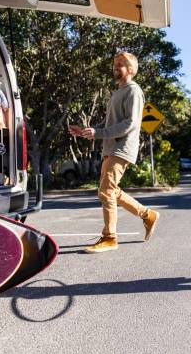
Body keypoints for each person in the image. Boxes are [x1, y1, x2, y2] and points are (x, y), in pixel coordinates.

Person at [68, 51, 160, 253]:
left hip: (122, 147)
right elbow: (110, 123)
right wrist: (87, 131)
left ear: (131, 69)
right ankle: (147, 215)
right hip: (111, 147)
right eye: (115, 63)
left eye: (120, 64)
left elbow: (130, 124)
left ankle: (110, 238)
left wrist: (100, 132)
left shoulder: (133, 91)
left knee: (106, 191)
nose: (115, 67)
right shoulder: (118, 92)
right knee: (112, 190)